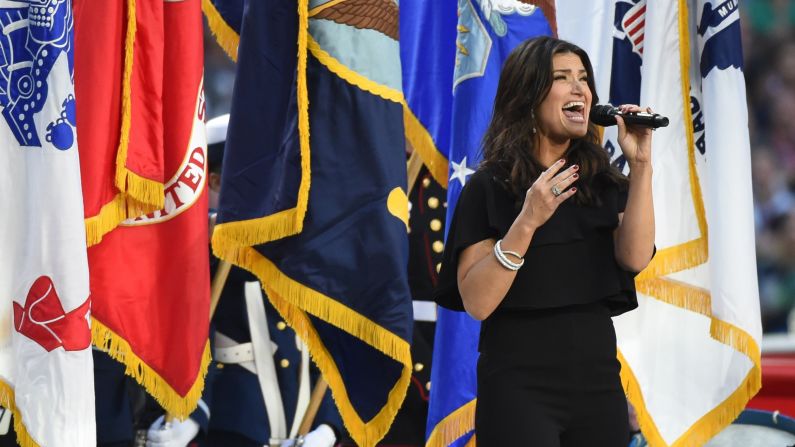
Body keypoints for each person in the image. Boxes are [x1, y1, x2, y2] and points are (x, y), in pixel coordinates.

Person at [434, 36, 655, 446]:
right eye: (562, 78)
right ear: (529, 97)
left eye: (584, 79)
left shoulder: (604, 183)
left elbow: (636, 257)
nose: (579, 89)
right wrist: (527, 221)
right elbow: (478, 302)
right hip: (518, 388)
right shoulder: (489, 188)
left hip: (597, 383)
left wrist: (640, 164)